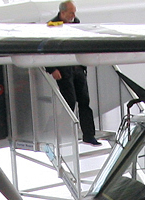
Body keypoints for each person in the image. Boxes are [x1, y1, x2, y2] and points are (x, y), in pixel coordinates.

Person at [45, 1, 98, 145]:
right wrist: (51, 69)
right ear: (62, 13)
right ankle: (64, 134)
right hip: (63, 69)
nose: (74, 15)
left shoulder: (76, 23)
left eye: (74, 12)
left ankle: (89, 134)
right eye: (71, 13)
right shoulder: (51, 26)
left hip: (77, 67)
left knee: (84, 101)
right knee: (69, 102)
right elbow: (45, 49)